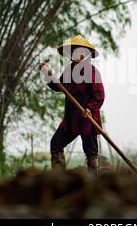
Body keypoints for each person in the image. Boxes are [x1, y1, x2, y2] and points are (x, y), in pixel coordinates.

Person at [39, 35, 105, 175]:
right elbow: (59, 86)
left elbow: (99, 96)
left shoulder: (92, 72)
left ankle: (93, 183)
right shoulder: (69, 71)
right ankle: (59, 179)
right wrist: (47, 74)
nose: (77, 54)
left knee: (91, 152)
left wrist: (89, 108)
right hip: (71, 120)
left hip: (87, 119)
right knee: (56, 143)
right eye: (74, 51)